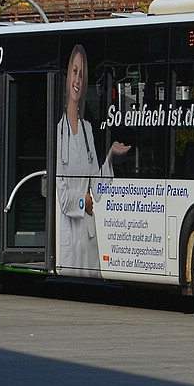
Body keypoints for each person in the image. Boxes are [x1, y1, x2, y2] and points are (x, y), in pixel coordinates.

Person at [56, 44, 131, 276]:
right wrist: (83, 203)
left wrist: (110, 155)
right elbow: (61, 194)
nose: (77, 79)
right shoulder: (58, 131)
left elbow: (95, 189)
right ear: (67, 75)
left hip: (89, 236)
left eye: (82, 73)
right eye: (74, 71)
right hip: (69, 235)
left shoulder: (88, 129)